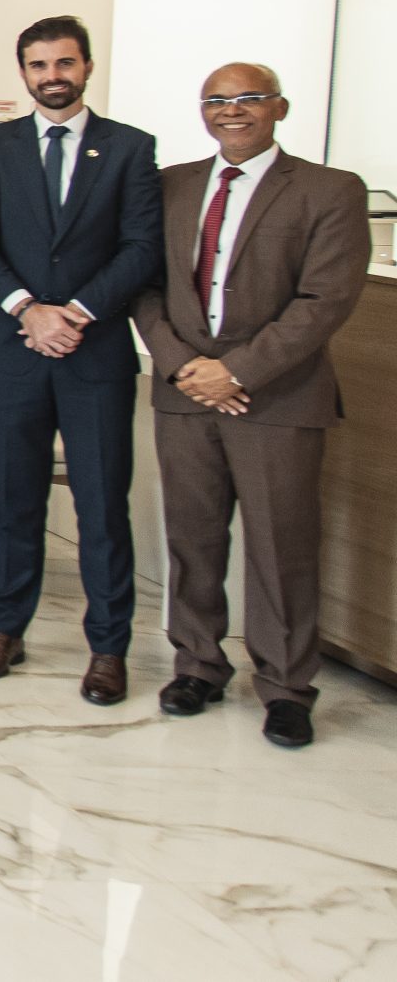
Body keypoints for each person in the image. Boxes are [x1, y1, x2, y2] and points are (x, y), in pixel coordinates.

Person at [134, 64, 368, 748]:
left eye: (247, 99)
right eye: (217, 101)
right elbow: (143, 286)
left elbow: (325, 299)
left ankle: (287, 687)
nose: (231, 111)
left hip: (279, 399)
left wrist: (236, 369)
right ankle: (198, 663)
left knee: (282, 543)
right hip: (185, 397)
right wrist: (184, 366)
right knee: (193, 537)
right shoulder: (170, 185)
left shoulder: (330, 190)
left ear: (279, 108)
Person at [0, 15, 160, 703]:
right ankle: (5, 629)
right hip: (16, 348)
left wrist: (73, 312)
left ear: (87, 66)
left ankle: (108, 645)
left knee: (103, 504)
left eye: (64, 63)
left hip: (92, 351)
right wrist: (26, 308)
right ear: (24, 73)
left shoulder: (129, 148)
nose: (52, 76)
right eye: (39, 65)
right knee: (18, 495)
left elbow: (140, 246)